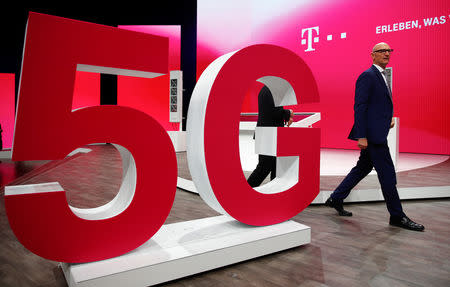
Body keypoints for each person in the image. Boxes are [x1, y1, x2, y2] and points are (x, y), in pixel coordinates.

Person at [325, 42, 424, 231]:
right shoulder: (368, 76)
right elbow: (360, 107)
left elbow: (379, 104)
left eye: (389, 50)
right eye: (382, 51)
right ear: (372, 55)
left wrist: (388, 119)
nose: (387, 53)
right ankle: (397, 216)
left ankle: (336, 198)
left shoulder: (382, 75)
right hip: (372, 136)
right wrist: (361, 136)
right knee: (387, 175)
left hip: (377, 131)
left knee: (362, 168)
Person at [247, 85, 293, 187]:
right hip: (268, 135)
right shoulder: (272, 90)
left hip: (268, 134)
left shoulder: (266, 89)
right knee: (264, 167)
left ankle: (274, 192)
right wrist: (288, 112)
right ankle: (246, 190)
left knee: (275, 167)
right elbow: (273, 112)